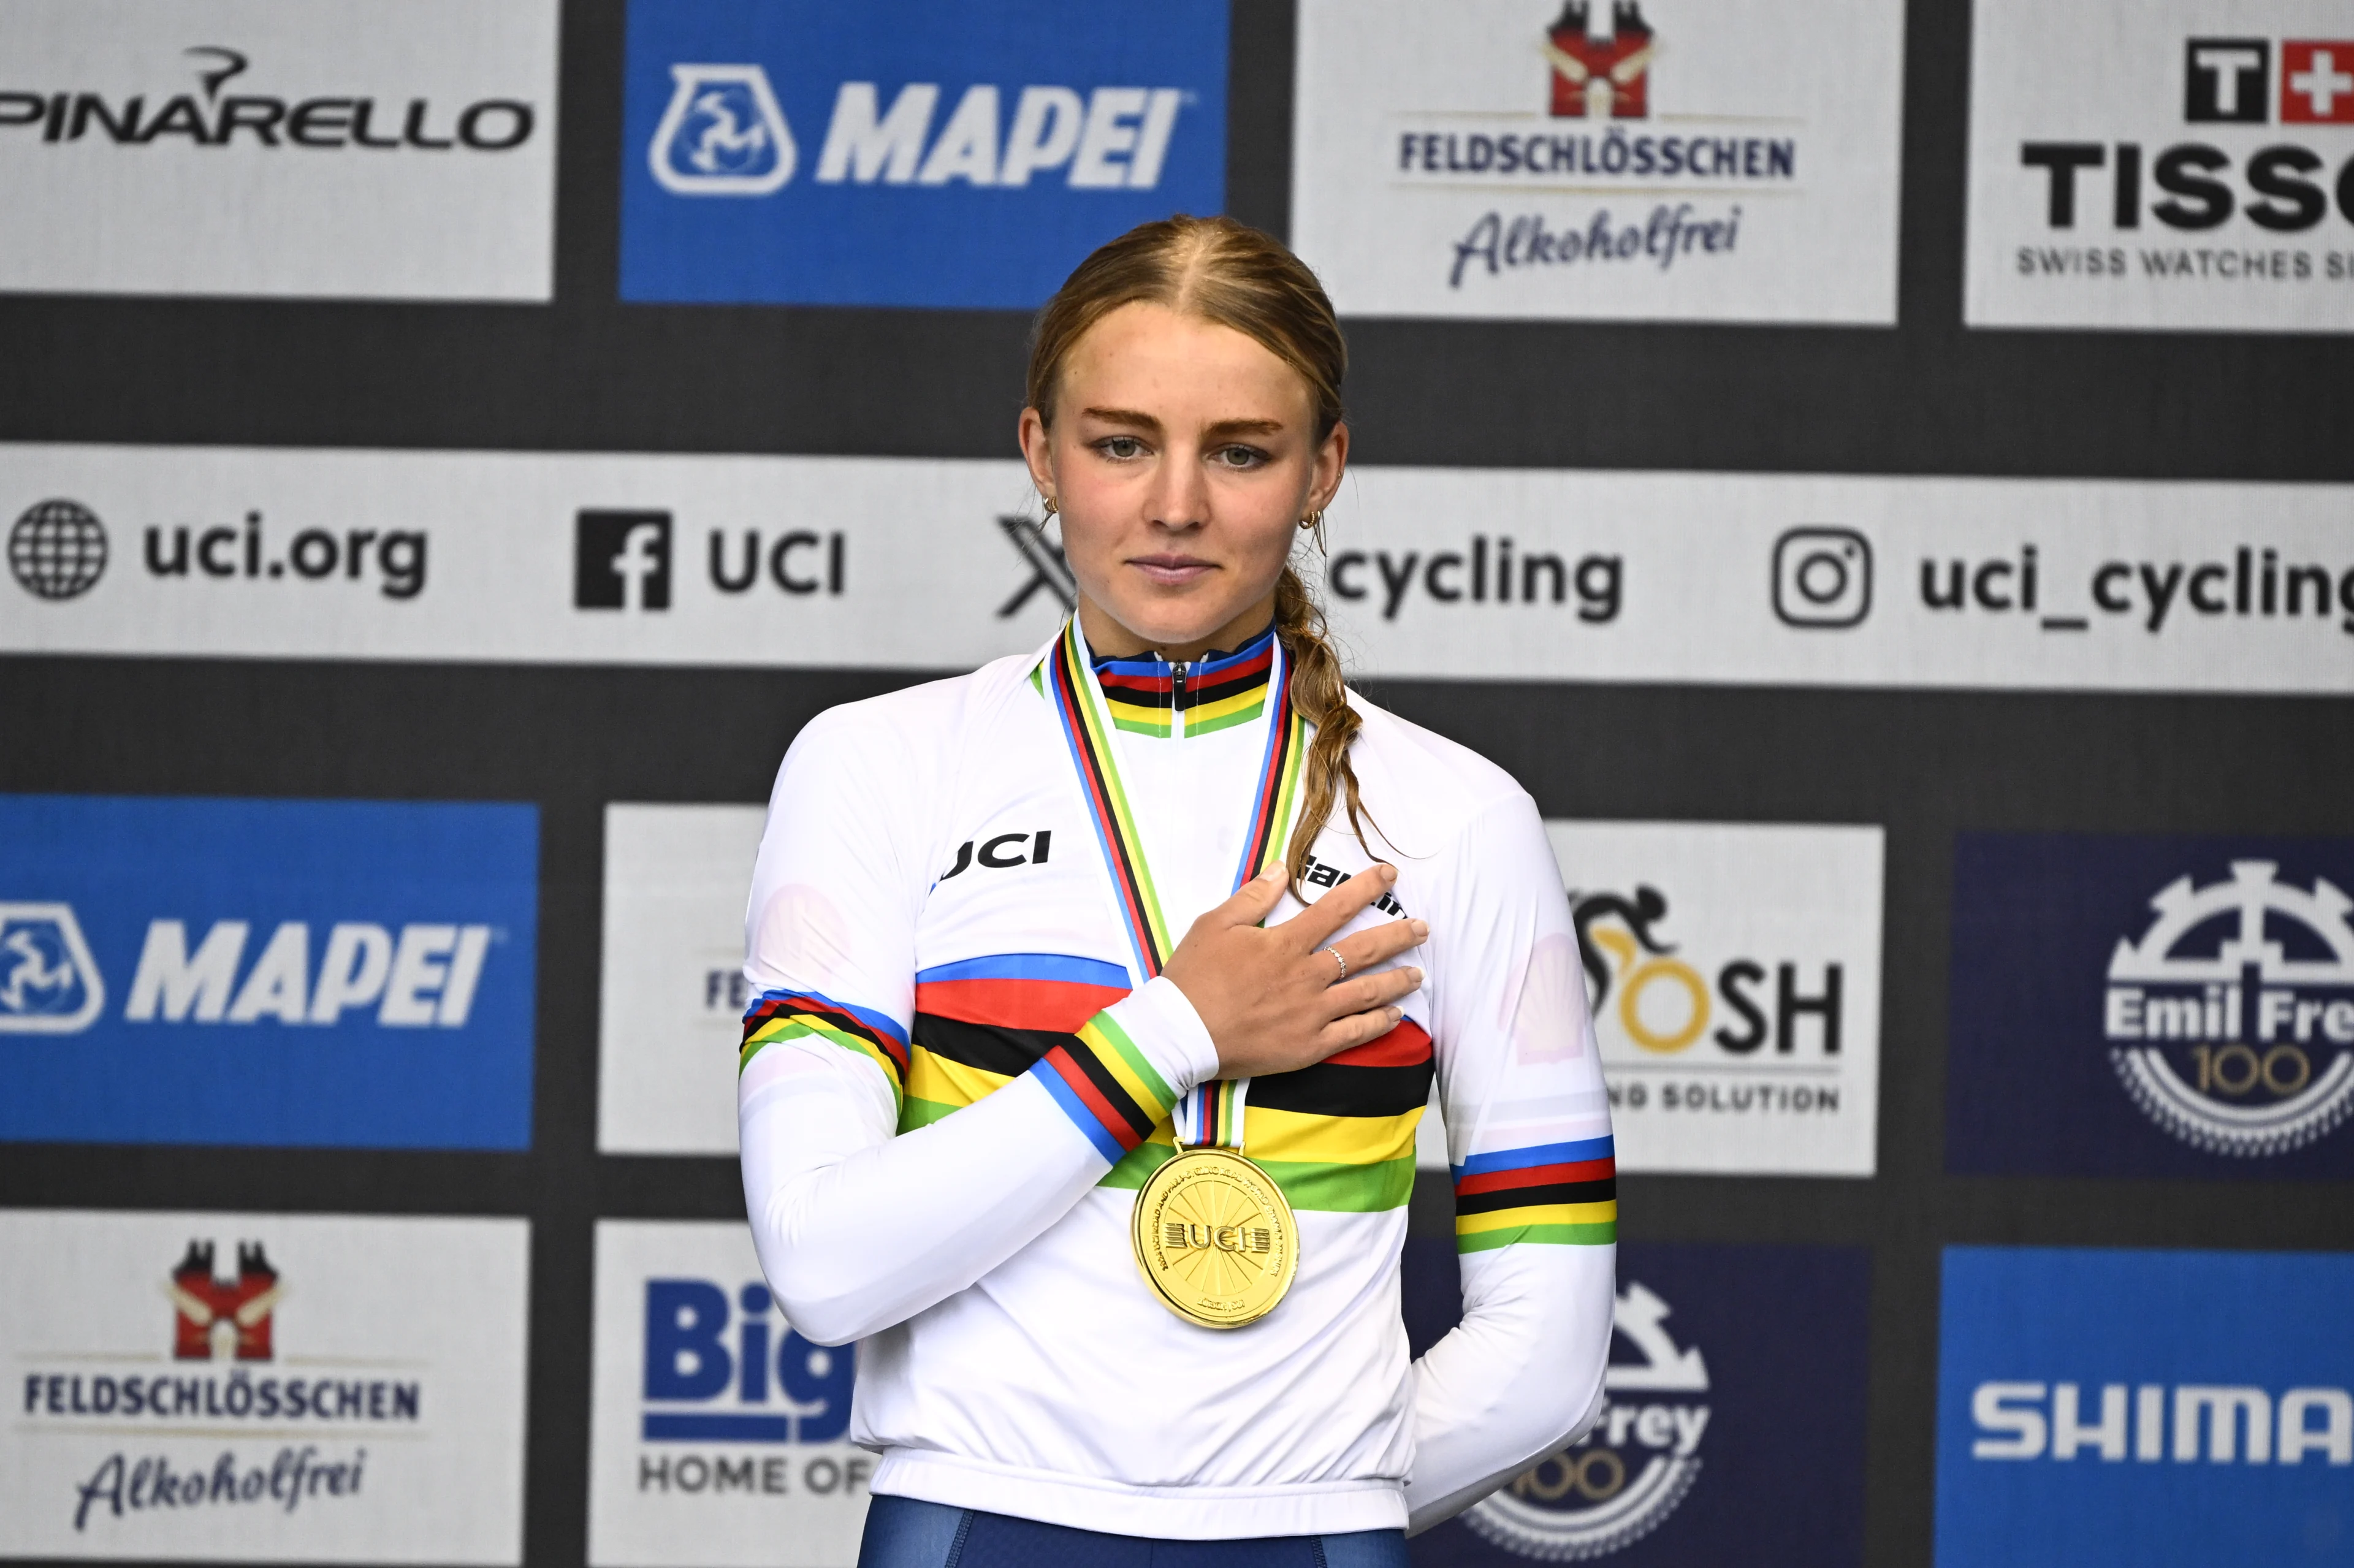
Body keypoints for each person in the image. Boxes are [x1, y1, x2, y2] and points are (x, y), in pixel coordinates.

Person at [737, 215, 1617, 1568]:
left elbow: (1547, 1351)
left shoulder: (1461, 817)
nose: (1176, 505)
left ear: (1325, 470)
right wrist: (1177, 1031)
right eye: (1123, 442)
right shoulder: (874, 766)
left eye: (1244, 452)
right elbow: (824, 1261)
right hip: (977, 1528)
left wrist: (1298, 1489)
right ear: (1040, 452)